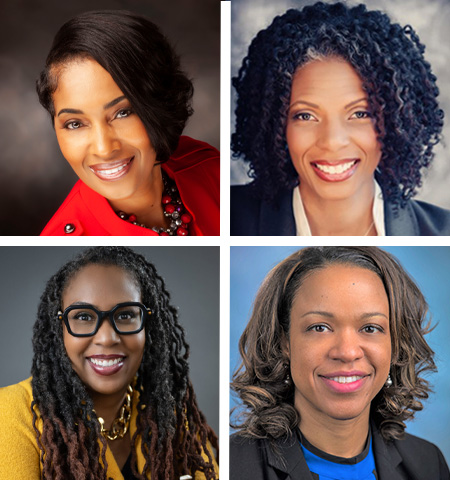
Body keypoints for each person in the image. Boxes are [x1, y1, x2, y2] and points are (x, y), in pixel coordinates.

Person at [230, 1, 450, 236]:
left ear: (397, 123)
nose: (332, 141)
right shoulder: (228, 218)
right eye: (306, 115)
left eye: (360, 113)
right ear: (277, 125)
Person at [230, 246, 449, 479]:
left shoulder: (428, 464)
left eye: (370, 328)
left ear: (395, 343)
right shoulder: (231, 466)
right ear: (284, 342)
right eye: (319, 328)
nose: (347, 352)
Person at [0, 246, 219, 479]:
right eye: (83, 316)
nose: (107, 338)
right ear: (59, 328)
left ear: (148, 326)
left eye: (125, 315)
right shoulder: (11, 413)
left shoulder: (168, 416)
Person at [37, 11, 219, 236]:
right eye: (75, 124)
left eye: (123, 113)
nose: (104, 149)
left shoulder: (209, 168)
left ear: (159, 106)